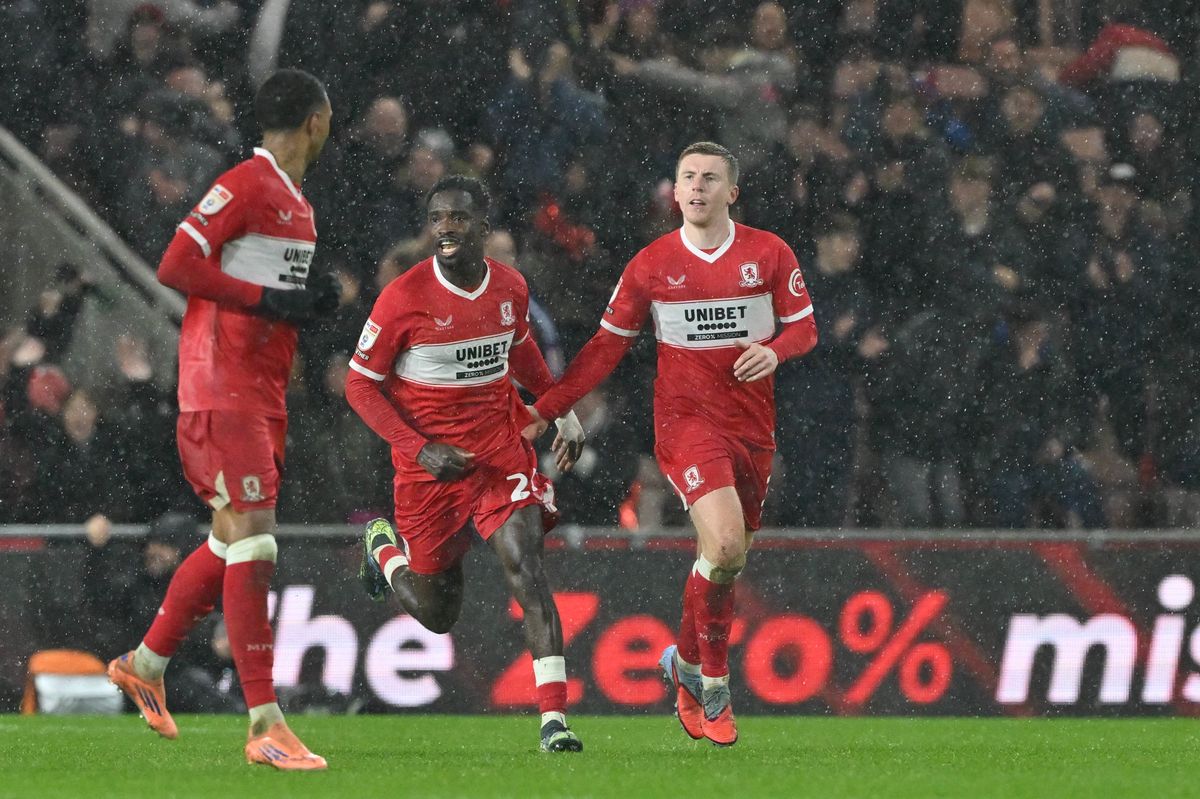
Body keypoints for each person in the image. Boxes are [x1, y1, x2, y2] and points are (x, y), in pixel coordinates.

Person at [525, 141, 818, 746]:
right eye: (688, 177)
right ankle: (714, 687)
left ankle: (681, 665)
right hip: (686, 425)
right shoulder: (652, 264)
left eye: (711, 178)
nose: (698, 187)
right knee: (728, 542)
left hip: (752, 429)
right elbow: (605, 348)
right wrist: (547, 409)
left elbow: (806, 327)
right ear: (676, 191)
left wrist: (776, 349)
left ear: (731, 192)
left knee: (725, 561)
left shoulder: (768, 253)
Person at [106, 68, 338, 771]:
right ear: (315, 123)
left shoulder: (298, 202)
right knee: (257, 543)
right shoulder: (244, 182)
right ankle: (264, 720)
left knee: (227, 541)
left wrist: (302, 303)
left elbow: (274, 300)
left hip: (263, 394)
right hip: (221, 389)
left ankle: (145, 662)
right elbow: (176, 263)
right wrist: (263, 300)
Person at [345, 175, 587, 753]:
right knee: (436, 613)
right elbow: (360, 386)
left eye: (457, 218)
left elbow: (519, 344)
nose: (446, 228)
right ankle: (383, 546)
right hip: (429, 471)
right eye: (437, 219)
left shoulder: (509, 286)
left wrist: (561, 409)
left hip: (500, 454)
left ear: (483, 226)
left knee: (526, 568)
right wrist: (419, 448)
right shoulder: (403, 297)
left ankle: (554, 721)